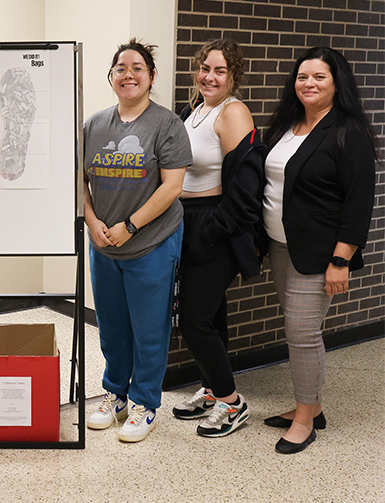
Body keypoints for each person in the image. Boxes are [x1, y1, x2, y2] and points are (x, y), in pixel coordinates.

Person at [262, 47, 376, 454]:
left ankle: (305, 419)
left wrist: (341, 260)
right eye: (302, 77)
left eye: (319, 77)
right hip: (280, 245)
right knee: (298, 330)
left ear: (336, 82)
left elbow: (359, 202)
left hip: (321, 253)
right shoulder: (288, 124)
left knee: (302, 335)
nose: (308, 84)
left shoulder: (349, 131)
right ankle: (315, 406)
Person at [83, 39, 190, 442]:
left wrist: (129, 226)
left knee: (149, 329)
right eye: (120, 68)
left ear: (151, 77)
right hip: (104, 244)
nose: (128, 74)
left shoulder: (166, 124)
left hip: (152, 242)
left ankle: (145, 403)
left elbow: (172, 187)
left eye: (137, 68)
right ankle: (116, 394)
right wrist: (92, 220)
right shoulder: (94, 124)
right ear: (111, 77)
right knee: (111, 327)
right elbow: (81, 181)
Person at [172, 39, 266, 437]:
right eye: (205, 68)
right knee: (210, 314)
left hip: (216, 226)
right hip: (188, 222)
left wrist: (213, 229)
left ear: (233, 77)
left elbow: (248, 185)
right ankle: (212, 390)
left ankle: (232, 403)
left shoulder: (232, 112)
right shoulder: (193, 111)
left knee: (192, 318)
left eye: (220, 71)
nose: (210, 77)